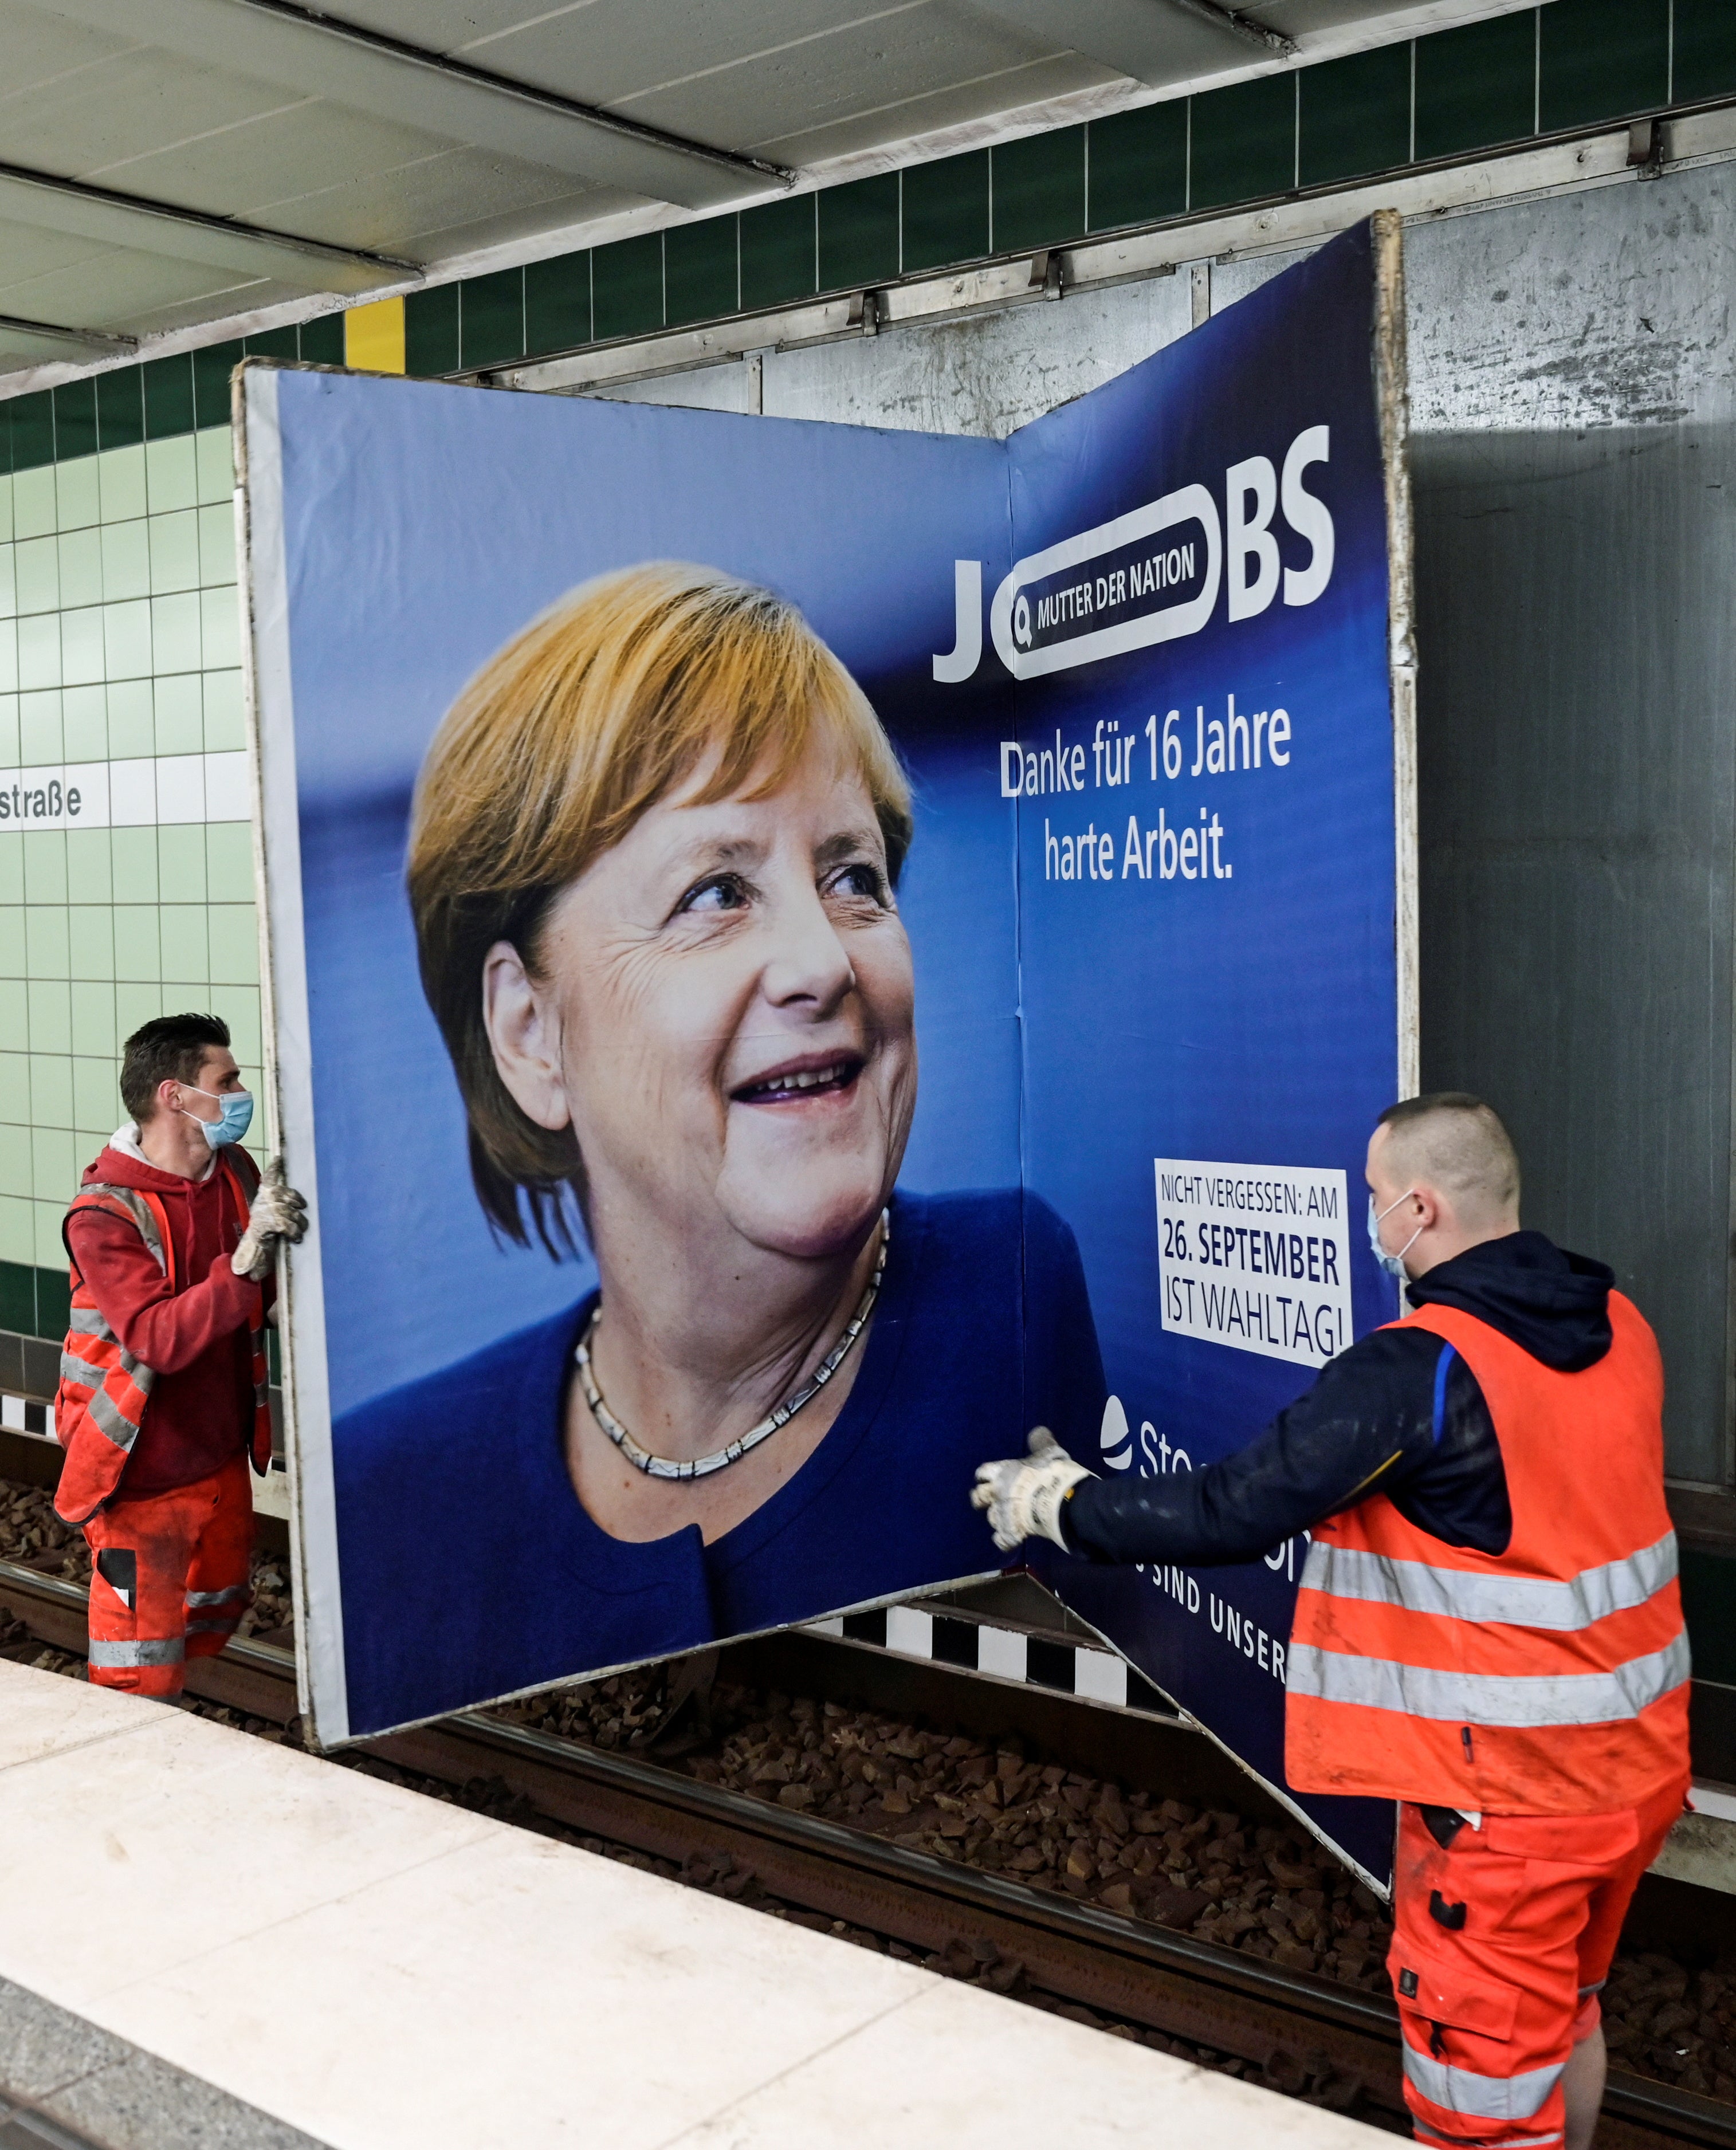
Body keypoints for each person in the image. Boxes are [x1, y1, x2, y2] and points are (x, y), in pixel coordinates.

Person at [332, 564, 1103, 1735]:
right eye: (714, 892)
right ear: (531, 1031)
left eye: (854, 877)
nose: (823, 961)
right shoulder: (384, 1492)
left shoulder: (1013, 1302)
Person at [973, 1093, 1691, 2150]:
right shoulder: (1615, 1319)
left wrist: (1062, 1504)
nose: (1368, 1219)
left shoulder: (1423, 1369)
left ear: (1420, 1206)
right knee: (1565, 2014)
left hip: (1509, 1805)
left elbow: (1231, 1505)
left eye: (1371, 1198)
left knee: (1484, 2104)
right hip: (1635, 1771)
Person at [55, 1013, 307, 1697]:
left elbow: (263, 1289)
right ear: (174, 1096)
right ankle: (136, 1766)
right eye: (226, 1081)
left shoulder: (235, 1173)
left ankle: (178, 1733)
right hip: (140, 1476)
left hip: (220, 1459)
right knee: (138, 1671)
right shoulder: (104, 1214)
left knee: (209, 1618)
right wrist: (247, 1265)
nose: (240, 1092)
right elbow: (158, 1338)